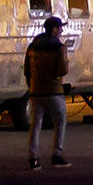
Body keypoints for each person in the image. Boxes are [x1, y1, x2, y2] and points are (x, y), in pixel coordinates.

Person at [24, 14, 71, 171]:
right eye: (60, 28)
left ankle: (33, 159)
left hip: (36, 91)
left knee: (35, 125)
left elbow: (26, 70)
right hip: (54, 92)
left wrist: (32, 85)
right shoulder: (59, 48)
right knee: (60, 122)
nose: (61, 31)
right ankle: (57, 155)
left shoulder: (32, 46)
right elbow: (62, 70)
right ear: (54, 29)